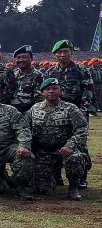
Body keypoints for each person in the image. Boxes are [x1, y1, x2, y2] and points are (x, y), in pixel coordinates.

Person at [43, 39, 94, 190]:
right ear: (55, 55)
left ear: (71, 53)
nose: (63, 55)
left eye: (66, 51)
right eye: (59, 52)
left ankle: (81, 178)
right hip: (56, 114)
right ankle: (56, 175)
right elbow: (46, 93)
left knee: (79, 144)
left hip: (76, 113)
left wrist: (83, 111)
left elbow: (89, 91)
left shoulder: (81, 70)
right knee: (55, 140)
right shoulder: (50, 72)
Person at [27, 78, 88, 201]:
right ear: (42, 92)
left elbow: (82, 129)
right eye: (47, 89)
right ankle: (51, 177)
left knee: (76, 158)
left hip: (64, 149)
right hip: (43, 152)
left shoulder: (70, 108)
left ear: (61, 91)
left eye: (55, 88)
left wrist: (70, 145)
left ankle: (73, 188)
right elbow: (25, 129)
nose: (51, 91)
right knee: (42, 190)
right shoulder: (34, 109)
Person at [9, 45, 43, 113]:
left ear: (31, 58)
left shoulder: (38, 75)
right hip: (11, 113)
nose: (21, 60)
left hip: (29, 113)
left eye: (24, 57)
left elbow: (39, 100)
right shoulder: (12, 74)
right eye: (18, 57)